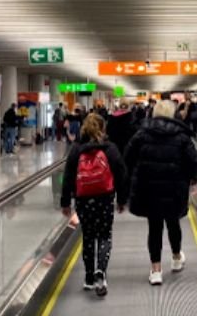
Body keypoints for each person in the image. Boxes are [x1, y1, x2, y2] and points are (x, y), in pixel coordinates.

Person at [123, 100, 197, 286]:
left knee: (155, 227)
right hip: (174, 187)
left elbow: (128, 156)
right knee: (173, 222)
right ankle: (175, 257)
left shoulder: (142, 134)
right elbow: (194, 159)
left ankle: (156, 270)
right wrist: (193, 178)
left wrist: (135, 176)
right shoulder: (181, 136)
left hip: (149, 187)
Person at [61, 114, 129, 297]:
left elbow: (68, 176)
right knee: (105, 235)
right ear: (102, 128)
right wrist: (122, 199)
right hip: (105, 197)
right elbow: (121, 174)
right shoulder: (110, 148)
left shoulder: (76, 149)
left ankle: (89, 277)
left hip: (83, 199)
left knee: (88, 236)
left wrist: (65, 202)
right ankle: (101, 271)